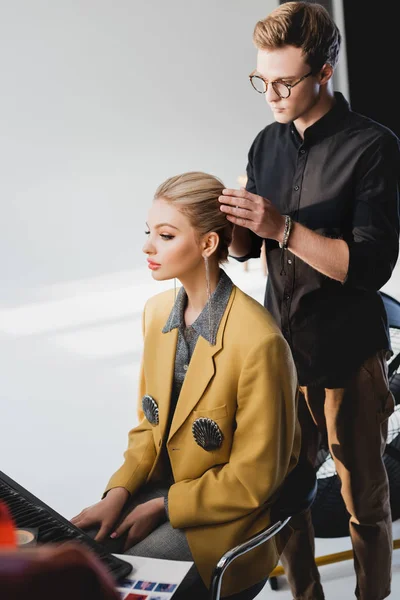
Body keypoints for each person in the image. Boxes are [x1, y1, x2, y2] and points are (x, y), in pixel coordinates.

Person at [218, 3, 400, 600]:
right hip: (281, 355)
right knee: (284, 498)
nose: (270, 95)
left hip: (350, 357)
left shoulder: (372, 146)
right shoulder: (264, 144)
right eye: (260, 81)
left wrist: (283, 227)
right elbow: (252, 248)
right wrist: (231, 229)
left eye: (285, 82)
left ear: (325, 71)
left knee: (365, 508)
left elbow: (369, 268)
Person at [71, 171, 300, 600]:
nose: (147, 247)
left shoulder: (260, 342)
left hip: (228, 515)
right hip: (160, 490)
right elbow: (148, 428)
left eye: (165, 235)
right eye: (148, 232)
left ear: (208, 244)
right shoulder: (156, 314)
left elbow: (253, 480)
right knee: (72, 563)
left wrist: (163, 506)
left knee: (117, 584)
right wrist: (118, 494)